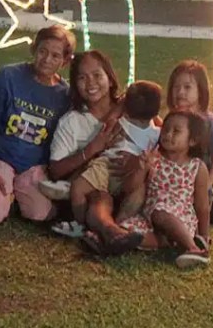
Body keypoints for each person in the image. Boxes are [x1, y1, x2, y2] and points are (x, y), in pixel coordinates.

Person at [0, 25, 75, 225]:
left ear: (65, 61)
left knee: (40, 213)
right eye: (42, 51)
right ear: (33, 49)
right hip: (0, 156)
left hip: (32, 165)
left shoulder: (64, 95)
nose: (47, 60)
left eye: (55, 56)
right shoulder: (9, 76)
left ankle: (15, 191)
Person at [47, 50, 144, 256]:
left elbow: (158, 135)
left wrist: (138, 162)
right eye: (82, 77)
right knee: (100, 198)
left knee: (141, 183)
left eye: (97, 75)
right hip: (93, 191)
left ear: (110, 78)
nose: (90, 83)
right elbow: (55, 170)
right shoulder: (73, 122)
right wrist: (92, 149)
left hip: (130, 183)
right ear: (75, 85)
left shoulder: (130, 109)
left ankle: (112, 232)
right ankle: (112, 232)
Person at [59, 80, 161, 238]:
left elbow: (107, 125)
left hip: (106, 166)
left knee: (78, 189)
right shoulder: (157, 134)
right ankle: (121, 224)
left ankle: (80, 225)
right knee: (137, 192)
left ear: (126, 107)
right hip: (130, 176)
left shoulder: (120, 123)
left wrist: (120, 105)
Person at [117, 111, 213, 269]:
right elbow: (130, 187)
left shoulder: (197, 167)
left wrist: (204, 235)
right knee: (126, 230)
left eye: (176, 131)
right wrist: (142, 168)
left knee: (160, 213)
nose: (168, 134)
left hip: (179, 217)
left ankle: (194, 249)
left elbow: (202, 206)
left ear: (192, 140)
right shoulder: (154, 158)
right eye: (166, 129)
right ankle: (165, 242)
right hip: (150, 217)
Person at [167, 59, 213, 227]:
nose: (180, 92)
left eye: (187, 87)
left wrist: (207, 184)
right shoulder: (170, 120)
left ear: (200, 91)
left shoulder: (210, 122)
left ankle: (211, 208)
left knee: (202, 210)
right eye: (176, 87)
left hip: (198, 185)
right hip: (172, 182)